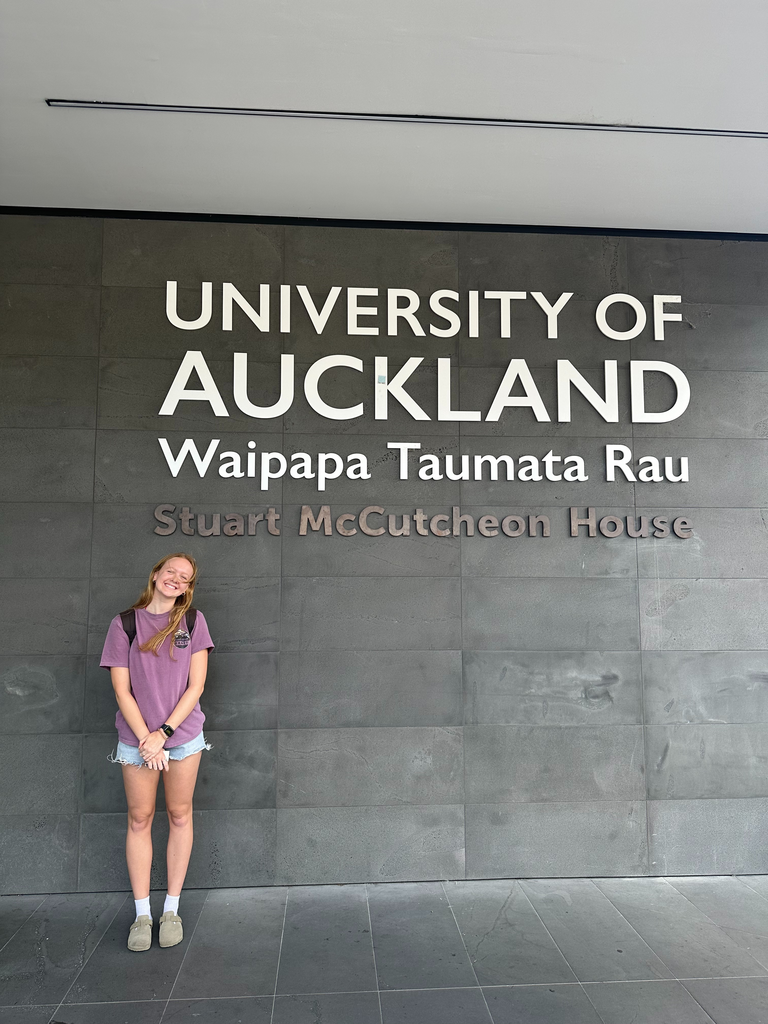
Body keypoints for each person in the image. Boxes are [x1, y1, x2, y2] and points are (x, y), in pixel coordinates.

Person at [100, 553, 214, 952]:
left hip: (181, 737)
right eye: (171, 573)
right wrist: (146, 739)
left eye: (185, 578)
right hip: (136, 740)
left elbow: (195, 686)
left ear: (188, 586)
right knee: (140, 818)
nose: (176, 581)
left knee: (180, 815)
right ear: (155, 574)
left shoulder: (193, 623)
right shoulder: (124, 623)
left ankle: (171, 910)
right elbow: (121, 690)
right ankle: (142, 915)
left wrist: (162, 733)